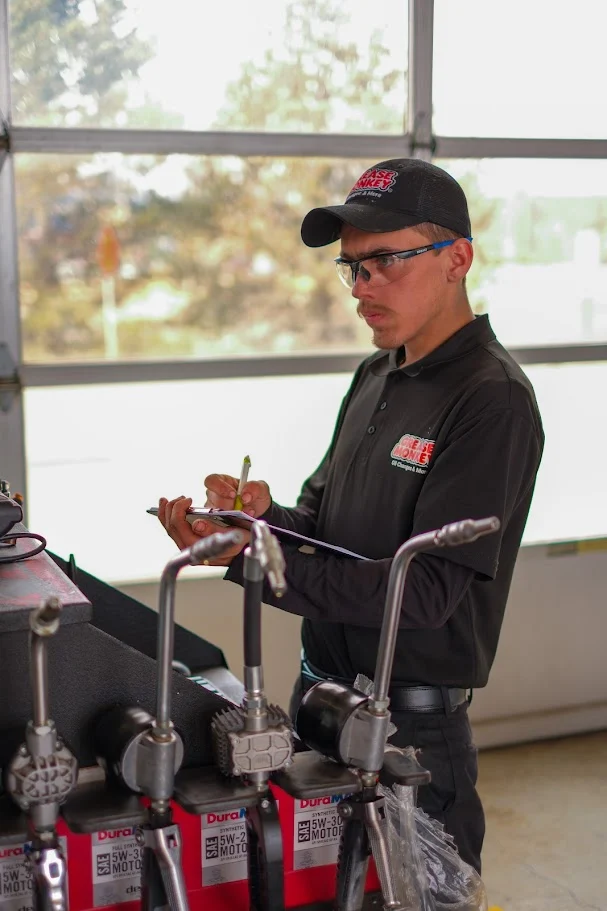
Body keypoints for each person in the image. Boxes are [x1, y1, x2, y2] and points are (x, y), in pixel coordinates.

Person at [158, 158, 544, 874]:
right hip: (321, 702)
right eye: (352, 268)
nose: (362, 289)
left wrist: (255, 565)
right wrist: (259, 521)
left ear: (456, 257)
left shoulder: (491, 400)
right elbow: (322, 522)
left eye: (384, 262)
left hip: (408, 732)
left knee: (416, 892)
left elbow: (421, 594)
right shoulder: (376, 374)